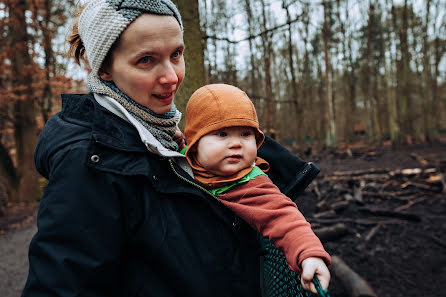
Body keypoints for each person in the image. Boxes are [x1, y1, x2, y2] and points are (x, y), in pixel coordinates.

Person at [22, 1, 324, 296]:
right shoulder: (89, 161)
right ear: (104, 70)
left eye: (176, 54)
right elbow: (62, 283)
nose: (172, 77)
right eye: (146, 60)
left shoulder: (172, 134)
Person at [183, 84, 331, 293]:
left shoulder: (249, 183)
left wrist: (308, 253)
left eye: (245, 134)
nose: (236, 143)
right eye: (222, 134)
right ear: (195, 143)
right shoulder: (175, 161)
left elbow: (282, 216)